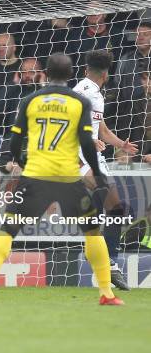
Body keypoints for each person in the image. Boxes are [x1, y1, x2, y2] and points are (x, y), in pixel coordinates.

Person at [0, 53, 124, 306]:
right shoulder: (79, 102)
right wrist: (97, 174)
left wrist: (20, 162)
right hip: (68, 180)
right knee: (93, 233)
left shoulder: (31, 100)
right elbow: (87, 144)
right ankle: (106, 293)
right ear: (71, 73)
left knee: (8, 230)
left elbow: (15, 139)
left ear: (46, 73)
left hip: (36, 178)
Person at [73, 50, 138, 290]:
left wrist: (122, 145)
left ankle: (105, 258)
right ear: (107, 74)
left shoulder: (91, 93)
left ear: (86, 69)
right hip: (79, 155)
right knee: (108, 202)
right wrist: (89, 142)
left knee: (113, 207)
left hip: (92, 156)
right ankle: (106, 260)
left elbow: (102, 131)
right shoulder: (87, 93)